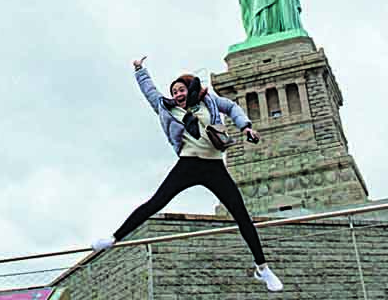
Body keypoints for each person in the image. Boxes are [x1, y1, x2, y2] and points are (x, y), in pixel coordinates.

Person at [91, 56, 284, 292]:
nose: (178, 95)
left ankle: (262, 269)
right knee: (156, 202)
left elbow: (232, 108)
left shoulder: (209, 102)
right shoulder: (167, 108)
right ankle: (113, 238)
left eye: (181, 89)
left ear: (190, 89)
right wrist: (139, 70)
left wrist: (246, 127)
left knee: (241, 214)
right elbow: (150, 92)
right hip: (188, 163)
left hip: (214, 166)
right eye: (174, 91)